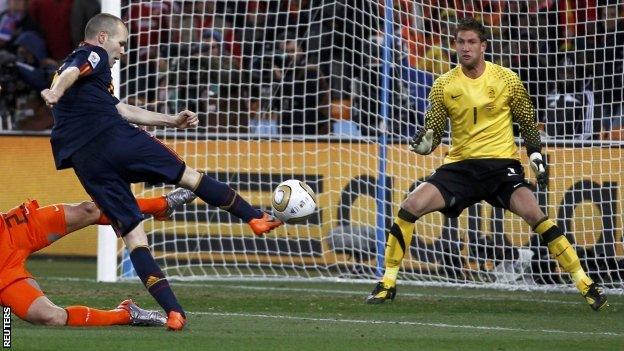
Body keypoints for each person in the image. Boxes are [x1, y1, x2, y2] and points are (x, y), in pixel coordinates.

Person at [40, 13, 283, 331]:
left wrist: (171, 121)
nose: (123, 51)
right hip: (113, 138)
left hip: (87, 161)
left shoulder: (92, 77)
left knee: (133, 236)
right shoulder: (91, 54)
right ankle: (254, 217)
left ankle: (174, 312)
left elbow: (121, 108)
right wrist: (55, 91)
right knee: (190, 177)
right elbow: (74, 71)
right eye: (122, 43)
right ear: (102, 37)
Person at [365, 17, 607, 311]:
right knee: (409, 207)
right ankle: (387, 283)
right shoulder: (443, 85)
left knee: (536, 214)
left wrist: (535, 157)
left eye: (471, 42)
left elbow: (528, 123)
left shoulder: (506, 79)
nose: (465, 48)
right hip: (461, 167)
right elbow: (433, 131)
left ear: (483, 46)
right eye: (460, 42)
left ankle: (585, 283)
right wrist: (424, 143)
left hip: (500, 166)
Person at [0, 188, 195, 327]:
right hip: (3, 273)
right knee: (50, 317)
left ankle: (162, 204)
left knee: (88, 210)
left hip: (11, 232)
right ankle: (126, 314)